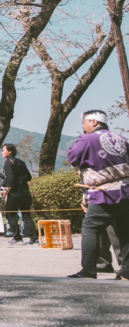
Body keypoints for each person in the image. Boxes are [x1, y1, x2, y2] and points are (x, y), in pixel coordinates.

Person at [66, 110, 129, 280]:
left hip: (105, 192)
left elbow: (73, 157)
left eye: (85, 122)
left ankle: (88, 270)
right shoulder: (121, 138)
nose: (83, 126)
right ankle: (127, 272)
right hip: (126, 189)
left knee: (90, 228)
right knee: (125, 231)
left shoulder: (87, 139)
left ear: (93, 122)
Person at [0, 143, 38, 245]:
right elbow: (29, 177)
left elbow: (11, 180)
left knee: (10, 215)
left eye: (3, 150)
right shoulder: (21, 162)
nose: (2, 152)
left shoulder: (8, 162)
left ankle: (17, 237)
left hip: (14, 194)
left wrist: (7, 190)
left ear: (10, 151)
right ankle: (34, 238)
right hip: (25, 193)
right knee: (26, 216)